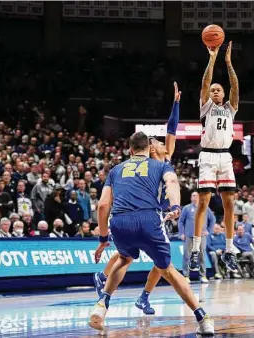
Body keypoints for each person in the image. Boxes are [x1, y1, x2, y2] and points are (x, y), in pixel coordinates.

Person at [88, 131, 214, 335]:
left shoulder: (115, 170)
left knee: (123, 258)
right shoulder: (161, 165)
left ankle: (101, 305)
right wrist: (175, 206)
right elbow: (172, 183)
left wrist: (103, 239)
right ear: (148, 149)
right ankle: (203, 318)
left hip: (119, 221)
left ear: (130, 150)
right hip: (148, 219)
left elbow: (102, 205)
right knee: (168, 270)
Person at [93, 83, 184, 316]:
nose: (163, 142)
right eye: (157, 141)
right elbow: (169, 131)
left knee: (144, 258)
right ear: (151, 149)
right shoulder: (154, 164)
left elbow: (172, 127)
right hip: (148, 211)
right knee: (139, 257)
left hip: (161, 212)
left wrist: (176, 103)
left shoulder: (166, 158)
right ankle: (112, 281)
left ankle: (132, 291)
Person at [190, 41, 240, 273]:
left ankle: (229, 250)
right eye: (213, 90)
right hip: (208, 157)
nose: (216, 91)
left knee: (230, 203)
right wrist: (212, 58)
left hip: (225, 157)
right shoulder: (206, 107)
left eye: (218, 89)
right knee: (203, 203)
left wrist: (229, 64)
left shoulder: (230, 108)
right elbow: (205, 82)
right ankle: (195, 251)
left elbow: (235, 88)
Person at [179, 191, 215, 284]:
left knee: (202, 255)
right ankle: (186, 275)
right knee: (187, 255)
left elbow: (213, 219)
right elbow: (181, 221)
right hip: (189, 236)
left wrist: (208, 230)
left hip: (201, 236)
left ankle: (203, 275)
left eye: (196, 196)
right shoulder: (186, 208)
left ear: (199, 197)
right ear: (191, 198)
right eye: (193, 196)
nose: (195, 197)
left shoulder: (205, 208)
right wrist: (182, 233)